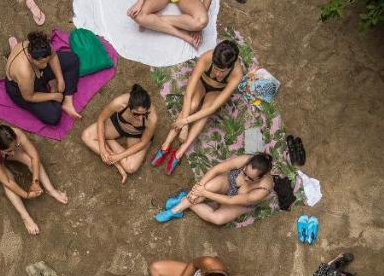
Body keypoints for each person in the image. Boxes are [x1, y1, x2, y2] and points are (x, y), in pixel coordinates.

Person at [151, 40, 244, 174]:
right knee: (193, 104)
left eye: (222, 71)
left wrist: (185, 121)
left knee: (205, 113)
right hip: (202, 83)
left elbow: (212, 109)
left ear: (231, 66)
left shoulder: (237, 74)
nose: (217, 73)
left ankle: (179, 153)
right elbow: (188, 92)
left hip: (216, 92)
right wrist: (184, 126)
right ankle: (165, 146)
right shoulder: (206, 57)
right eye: (216, 68)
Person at [0, 123, 68, 235]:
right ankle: (25, 217)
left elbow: (34, 156)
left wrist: (35, 181)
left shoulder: (16, 133)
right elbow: (7, 182)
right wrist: (26, 195)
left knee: (28, 159)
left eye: (16, 147)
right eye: (10, 151)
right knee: (9, 177)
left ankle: (51, 190)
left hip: (3, 151)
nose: (13, 153)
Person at [155, 153, 274, 224]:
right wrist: (200, 187)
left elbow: (231, 200)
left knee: (218, 219)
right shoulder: (246, 160)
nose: (246, 178)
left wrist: (204, 193)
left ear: (261, 177)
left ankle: (184, 201)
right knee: (208, 185)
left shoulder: (262, 190)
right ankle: (175, 211)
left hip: (237, 202)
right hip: (228, 183)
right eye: (244, 173)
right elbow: (217, 169)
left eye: (251, 179)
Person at [80, 84, 159, 183]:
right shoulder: (120, 102)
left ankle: (109, 140)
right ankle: (116, 163)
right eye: (136, 114)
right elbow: (101, 119)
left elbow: (143, 143)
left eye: (145, 114)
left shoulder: (152, 119)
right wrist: (101, 147)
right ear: (129, 106)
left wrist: (119, 156)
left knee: (131, 167)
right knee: (86, 136)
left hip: (137, 134)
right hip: (119, 124)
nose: (140, 118)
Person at [5, 31, 82, 126]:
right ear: (30, 56)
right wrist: (54, 96)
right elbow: (29, 96)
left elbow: (53, 57)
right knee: (53, 116)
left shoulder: (42, 46)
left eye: (47, 61)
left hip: (39, 73)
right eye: (42, 62)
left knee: (73, 59)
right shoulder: (24, 72)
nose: (45, 65)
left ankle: (67, 101)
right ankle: (51, 85)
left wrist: (60, 78)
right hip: (24, 90)